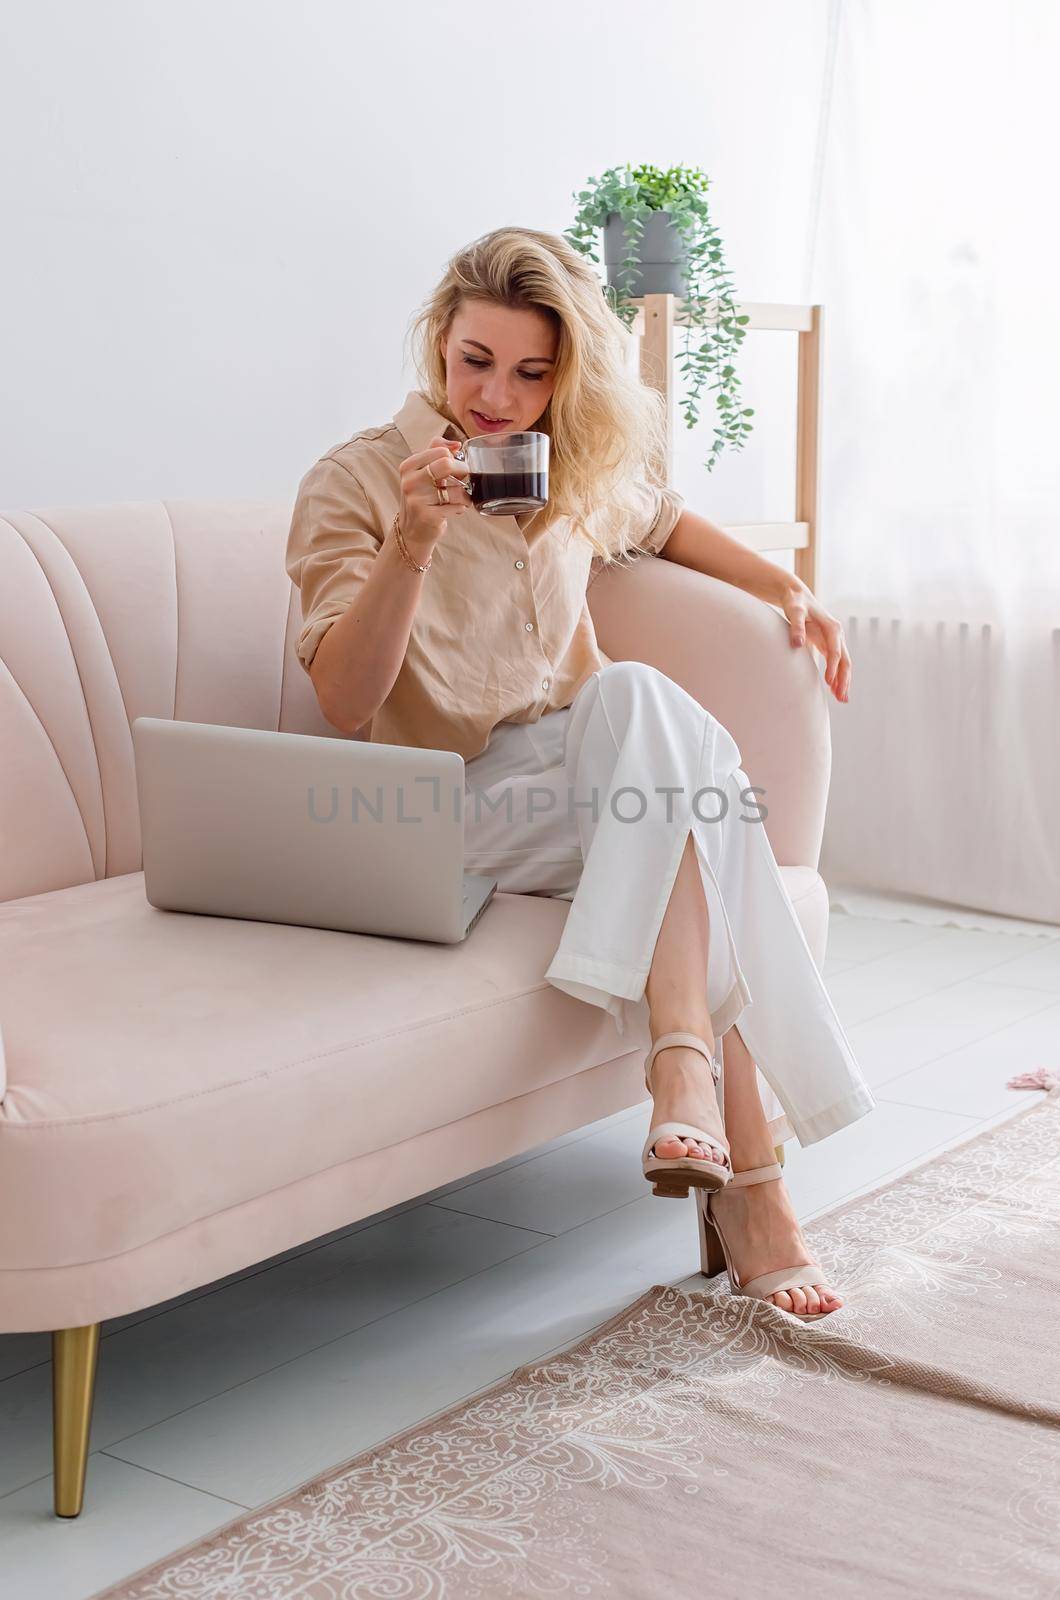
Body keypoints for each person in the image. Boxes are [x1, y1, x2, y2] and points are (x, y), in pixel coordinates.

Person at [285, 226, 877, 1320]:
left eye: (529, 371)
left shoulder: (562, 470)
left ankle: (688, 1076)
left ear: (563, 374)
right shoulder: (361, 481)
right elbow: (342, 699)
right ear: (437, 343)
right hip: (438, 811)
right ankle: (752, 1182)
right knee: (695, 786)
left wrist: (781, 587)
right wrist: (410, 544)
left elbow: (663, 518)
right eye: (474, 361)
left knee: (649, 721)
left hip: (582, 783)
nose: (495, 397)